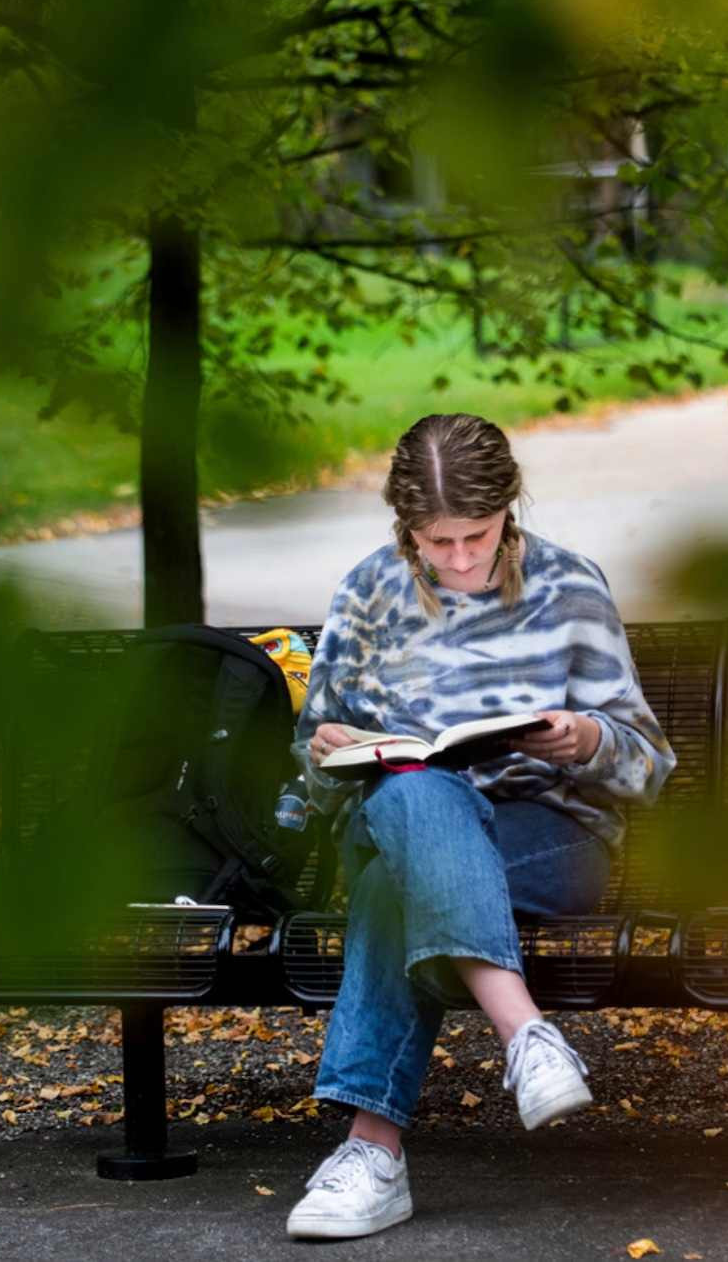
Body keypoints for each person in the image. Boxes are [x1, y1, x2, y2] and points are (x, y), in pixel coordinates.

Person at [284, 412, 676, 1240]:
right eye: (438, 541)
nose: (460, 558)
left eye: (479, 536)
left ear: (510, 508)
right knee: (413, 789)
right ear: (405, 527)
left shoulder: (571, 588)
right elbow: (311, 760)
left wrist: (587, 736)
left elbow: (648, 763)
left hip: (547, 832)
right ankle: (528, 1036)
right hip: (394, 819)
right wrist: (327, 750)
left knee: (399, 880)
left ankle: (373, 1155)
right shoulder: (367, 593)